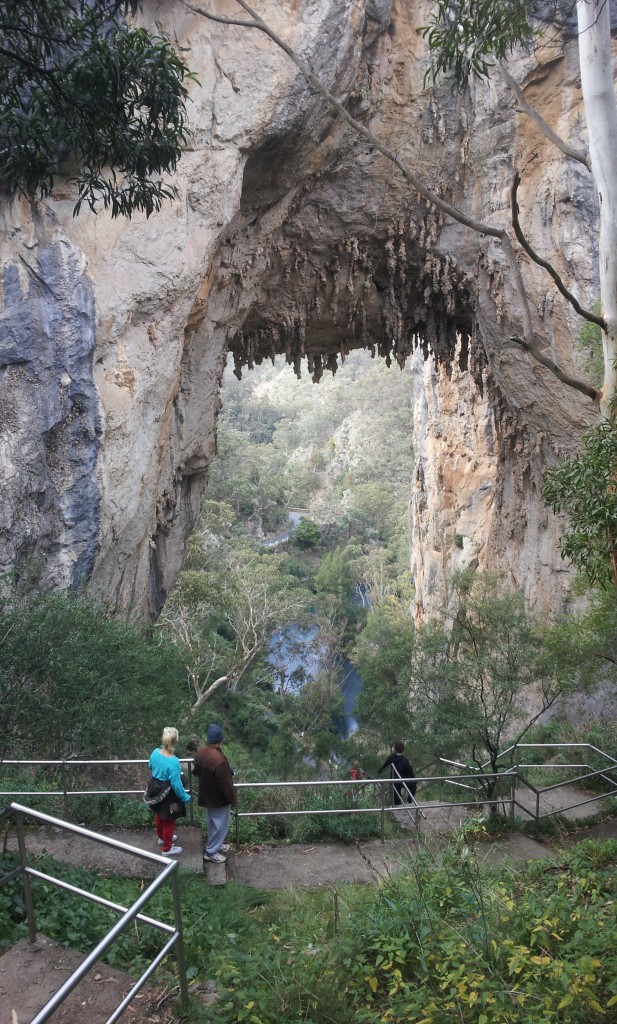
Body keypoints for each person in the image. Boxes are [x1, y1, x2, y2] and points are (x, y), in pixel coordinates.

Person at [192, 723, 237, 864]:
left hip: (206, 794)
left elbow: (195, 771)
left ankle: (214, 844)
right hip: (218, 798)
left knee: (212, 823)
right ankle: (211, 852)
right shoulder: (219, 759)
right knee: (221, 825)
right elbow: (226, 784)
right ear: (220, 739)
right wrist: (233, 800)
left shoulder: (201, 753)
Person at [147, 726, 191, 855]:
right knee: (169, 819)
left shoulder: (155, 752)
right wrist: (185, 797)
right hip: (168, 795)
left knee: (159, 814)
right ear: (175, 741)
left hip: (155, 788)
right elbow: (177, 785)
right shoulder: (174, 762)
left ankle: (162, 838)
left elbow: (150, 765)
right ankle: (167, 848)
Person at [378, 740, 417, 806]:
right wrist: (414, 780)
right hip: (402, 780)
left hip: (393, 780)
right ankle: (409, 801)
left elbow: (385, 764)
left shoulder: (392, 757)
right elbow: (410, 772)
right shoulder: (405, 760)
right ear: (403, 749)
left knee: (396, 797)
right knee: (413, 786)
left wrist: (380, 771)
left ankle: (397, 807)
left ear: (395, 749)